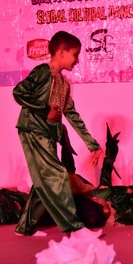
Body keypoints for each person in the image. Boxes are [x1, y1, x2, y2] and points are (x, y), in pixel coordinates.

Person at [13, 30, 102, 236]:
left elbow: (72, 115)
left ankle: (24, 227)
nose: (77, 60)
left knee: (43, 180)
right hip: (33, 130)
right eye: (75, 54)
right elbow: (18, 92)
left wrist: (92, 145)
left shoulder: (64, 84)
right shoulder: (42, 72)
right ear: (62, 52)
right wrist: (45, 110)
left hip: (48, 135)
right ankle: (75, 227)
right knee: (58, 175)